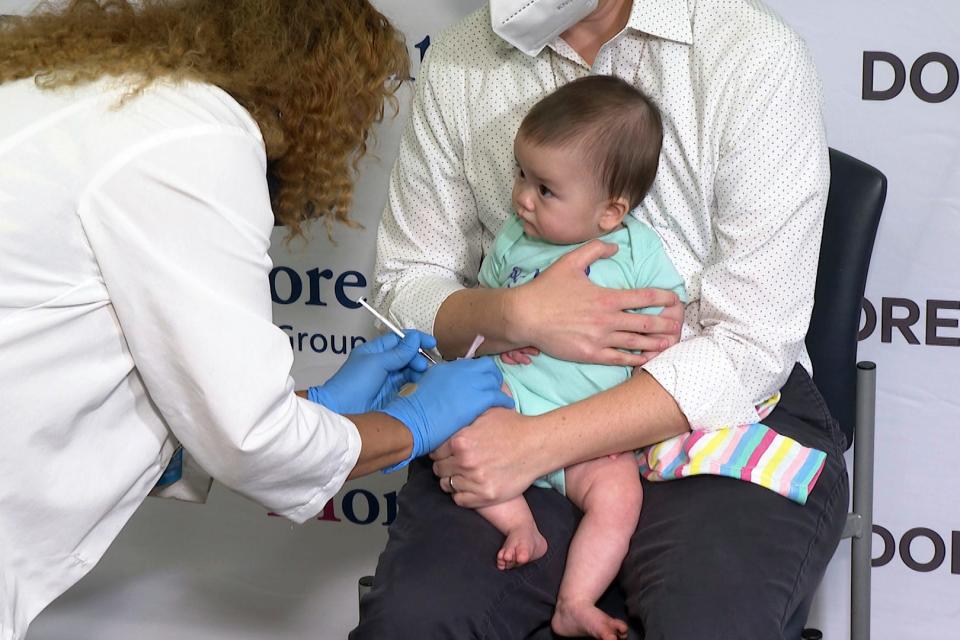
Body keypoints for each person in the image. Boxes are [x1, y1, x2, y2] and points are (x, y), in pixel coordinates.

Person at [0, 2, 513, 639]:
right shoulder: (195, 139)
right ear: (321, 89)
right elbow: (250, 440)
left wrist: (314, 407)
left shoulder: (104, 102)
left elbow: (123, 356)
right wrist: (410, 424)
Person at [355, 0, 849, 638]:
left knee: (710, 623)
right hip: (516, 393)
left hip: (724, 411)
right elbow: (405, 283)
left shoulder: (748, 51)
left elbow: (753, 342)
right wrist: (516, 313)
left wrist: (541, 445)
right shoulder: (463, 60)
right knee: (416, 623)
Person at [473, 74, 686, 639]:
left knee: (620, 497)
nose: (521, 196)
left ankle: (576, 600)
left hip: (592, 436)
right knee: (454, 430)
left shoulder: (636, 249)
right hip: (510, 404)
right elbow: (490, 302)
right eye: (522, 174)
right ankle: (519, 522)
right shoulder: (513, 240)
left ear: (610, 213)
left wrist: (661, 332)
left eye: (545, 189)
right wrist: (506, 327)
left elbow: (668, 313)